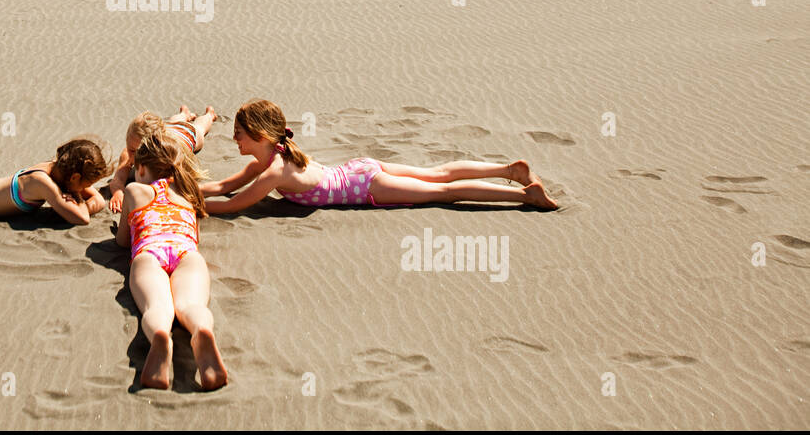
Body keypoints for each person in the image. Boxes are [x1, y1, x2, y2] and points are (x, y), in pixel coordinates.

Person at [201, 99, 559, 213]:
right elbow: (221, 187)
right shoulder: (268, 161)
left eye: (239, 134)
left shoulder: (273, 172)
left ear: (261, 136)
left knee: (443, 192)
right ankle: (510, 169)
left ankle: (524, 194)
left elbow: (233, 204)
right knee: (436, 173)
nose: (234, 139)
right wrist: (184, 191)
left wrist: (190, 207)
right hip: (361, 168)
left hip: (366, 187)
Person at [114, 127, 228, 390]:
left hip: (149, 252)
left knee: (157, 307)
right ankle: (200, 331)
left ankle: (160, 336)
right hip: (186, 252)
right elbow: (195, 237)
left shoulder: (134, 191)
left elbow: (122, 241)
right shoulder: (191, 194)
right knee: (191, 305)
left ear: (141, 169)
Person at [107, 106, 217, 213]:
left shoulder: (170, 159)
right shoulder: (127, 154)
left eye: (139, 151)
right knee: (174, 122)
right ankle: (184, 113)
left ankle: (209, 114)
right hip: (170, 128)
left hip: (186, 134)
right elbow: (118, 179)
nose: (135, 156)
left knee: (200, 128)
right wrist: (118, 193)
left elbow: (183, 185)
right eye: (131, 150)